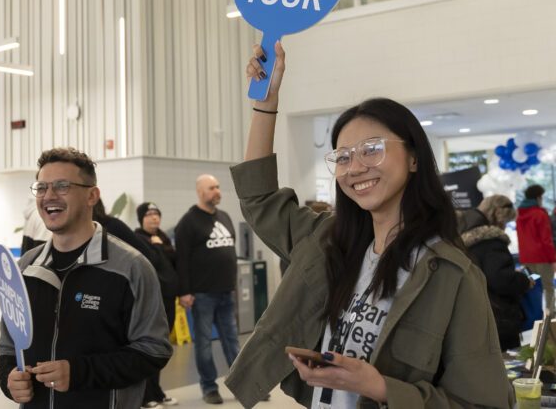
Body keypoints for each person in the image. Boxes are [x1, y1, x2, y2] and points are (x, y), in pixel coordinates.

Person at [225, 41, 512, 408]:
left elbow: (483, 404)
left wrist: (379, 387)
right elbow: (258, 198)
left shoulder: (452, 275)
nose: (355, 167)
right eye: (343, 157)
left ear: (412, 158)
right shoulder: (328, 242)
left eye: (372, 149)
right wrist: (266, 104)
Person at [0, 147, 172, 408]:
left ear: (92, 196)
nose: (49, 196)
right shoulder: (25, 269)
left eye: (62, 186)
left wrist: (79, 372)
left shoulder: (130, 268)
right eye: (41, 187)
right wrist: (8, 379)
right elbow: (8, 346)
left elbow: (153, 350)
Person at [175, 175, 240, 405]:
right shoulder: (188, 222)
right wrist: (184, 291)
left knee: (233, 342)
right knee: (203, 345)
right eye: (212, 188)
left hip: (226, 292)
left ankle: (243, 385)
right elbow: (180, 260)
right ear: (200, 192)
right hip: (202, 294)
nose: (217, 191)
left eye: (218, 187)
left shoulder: (224, 217)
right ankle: (209, 387)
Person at [457, 195, 531, 351]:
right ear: (499, 216)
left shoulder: (462, 232)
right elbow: (500, 279)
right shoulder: (491, 241)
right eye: (506, 222)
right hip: (498, 317)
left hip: (470, 313)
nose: (504, 227)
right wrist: (524, 281)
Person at [134, 202, 179, 408]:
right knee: (150, 347)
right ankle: (146, 395)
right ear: (141, 219)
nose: (154, 218)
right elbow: (156, 262)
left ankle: (158, 392)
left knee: (162, 347)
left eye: (157, 214)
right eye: (149, 215)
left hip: (169, 299)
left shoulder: (162, 237)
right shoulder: (139, 239)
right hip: (152, 300)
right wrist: (158, 247)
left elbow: (173, 262)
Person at [517, 184, 556, 314]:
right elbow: (546, 240)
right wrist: (553, 259)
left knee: (531, 286)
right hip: (542, 258)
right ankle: (551, 316)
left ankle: (534, 315)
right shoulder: (540, 214)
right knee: (548, 287)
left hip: (526, 258)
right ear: (538, 197)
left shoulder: (519, 216)